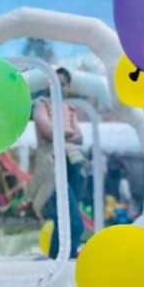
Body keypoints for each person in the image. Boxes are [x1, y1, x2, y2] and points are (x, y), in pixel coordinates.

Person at [27, 67, 85, 259]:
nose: (59, 88)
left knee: (66, 221)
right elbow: (49, 131)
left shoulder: (70, 108)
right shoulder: (41, 105)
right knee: (74, 223)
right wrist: (68, 133)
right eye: (55, 84)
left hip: (72, 162)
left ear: (68, 87)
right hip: (52, 164)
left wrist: (63, 133)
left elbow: (80, 137)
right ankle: (63, 261)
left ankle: (58, 261)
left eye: (63, 84)